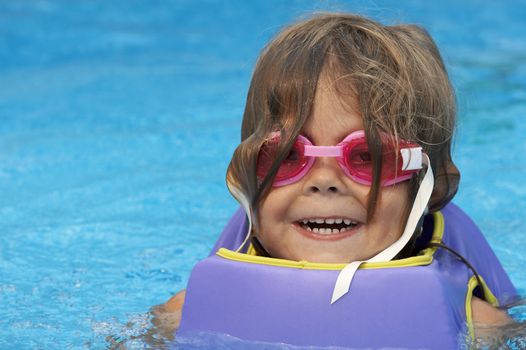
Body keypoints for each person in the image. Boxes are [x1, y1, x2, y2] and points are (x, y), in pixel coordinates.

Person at [153, 12, 517, 346]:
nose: (324, 181)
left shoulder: (476, 327)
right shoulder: (184, 313)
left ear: (430, 187)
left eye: (368, 156)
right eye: (287, 155)